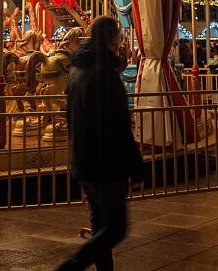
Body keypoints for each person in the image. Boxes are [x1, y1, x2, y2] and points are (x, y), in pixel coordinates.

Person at [58, 16, 144, 271]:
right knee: (115, 229)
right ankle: (71, 265)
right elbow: (119, 124)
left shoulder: (76, 70)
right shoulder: (105, 73)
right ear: (113, 38)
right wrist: (135, 165)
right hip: (106, 161)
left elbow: (69, 113)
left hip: (84, 159)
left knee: (99, 224)